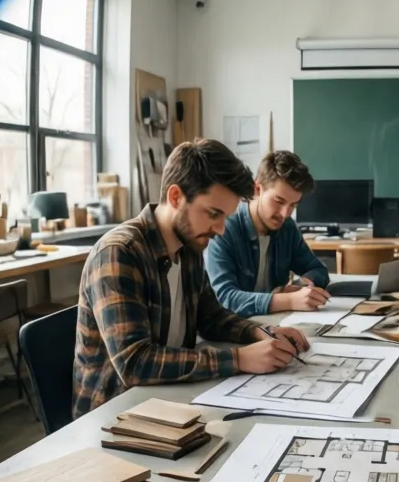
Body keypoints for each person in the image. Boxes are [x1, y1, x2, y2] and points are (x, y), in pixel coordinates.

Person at [73, 139, 309, 418]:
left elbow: (211, 318)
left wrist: (260, 332)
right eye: (213, 213)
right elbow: (134, 363)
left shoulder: (188, 247)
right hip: (115, 415)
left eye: (226, 217)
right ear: (175, 197)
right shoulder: (119, 253)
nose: (220, 230)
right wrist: (238, 358)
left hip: (169, 398)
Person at [205, 149, 332, 317]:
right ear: (257, 189)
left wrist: (302, 285)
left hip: (274, 323)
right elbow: (225, 298)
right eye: (279, 201)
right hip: (233, 329)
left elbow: (318, 269)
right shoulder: (224, 229)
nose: (286, 213)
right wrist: (288, 300)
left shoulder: (287, 228)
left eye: (293, 205)